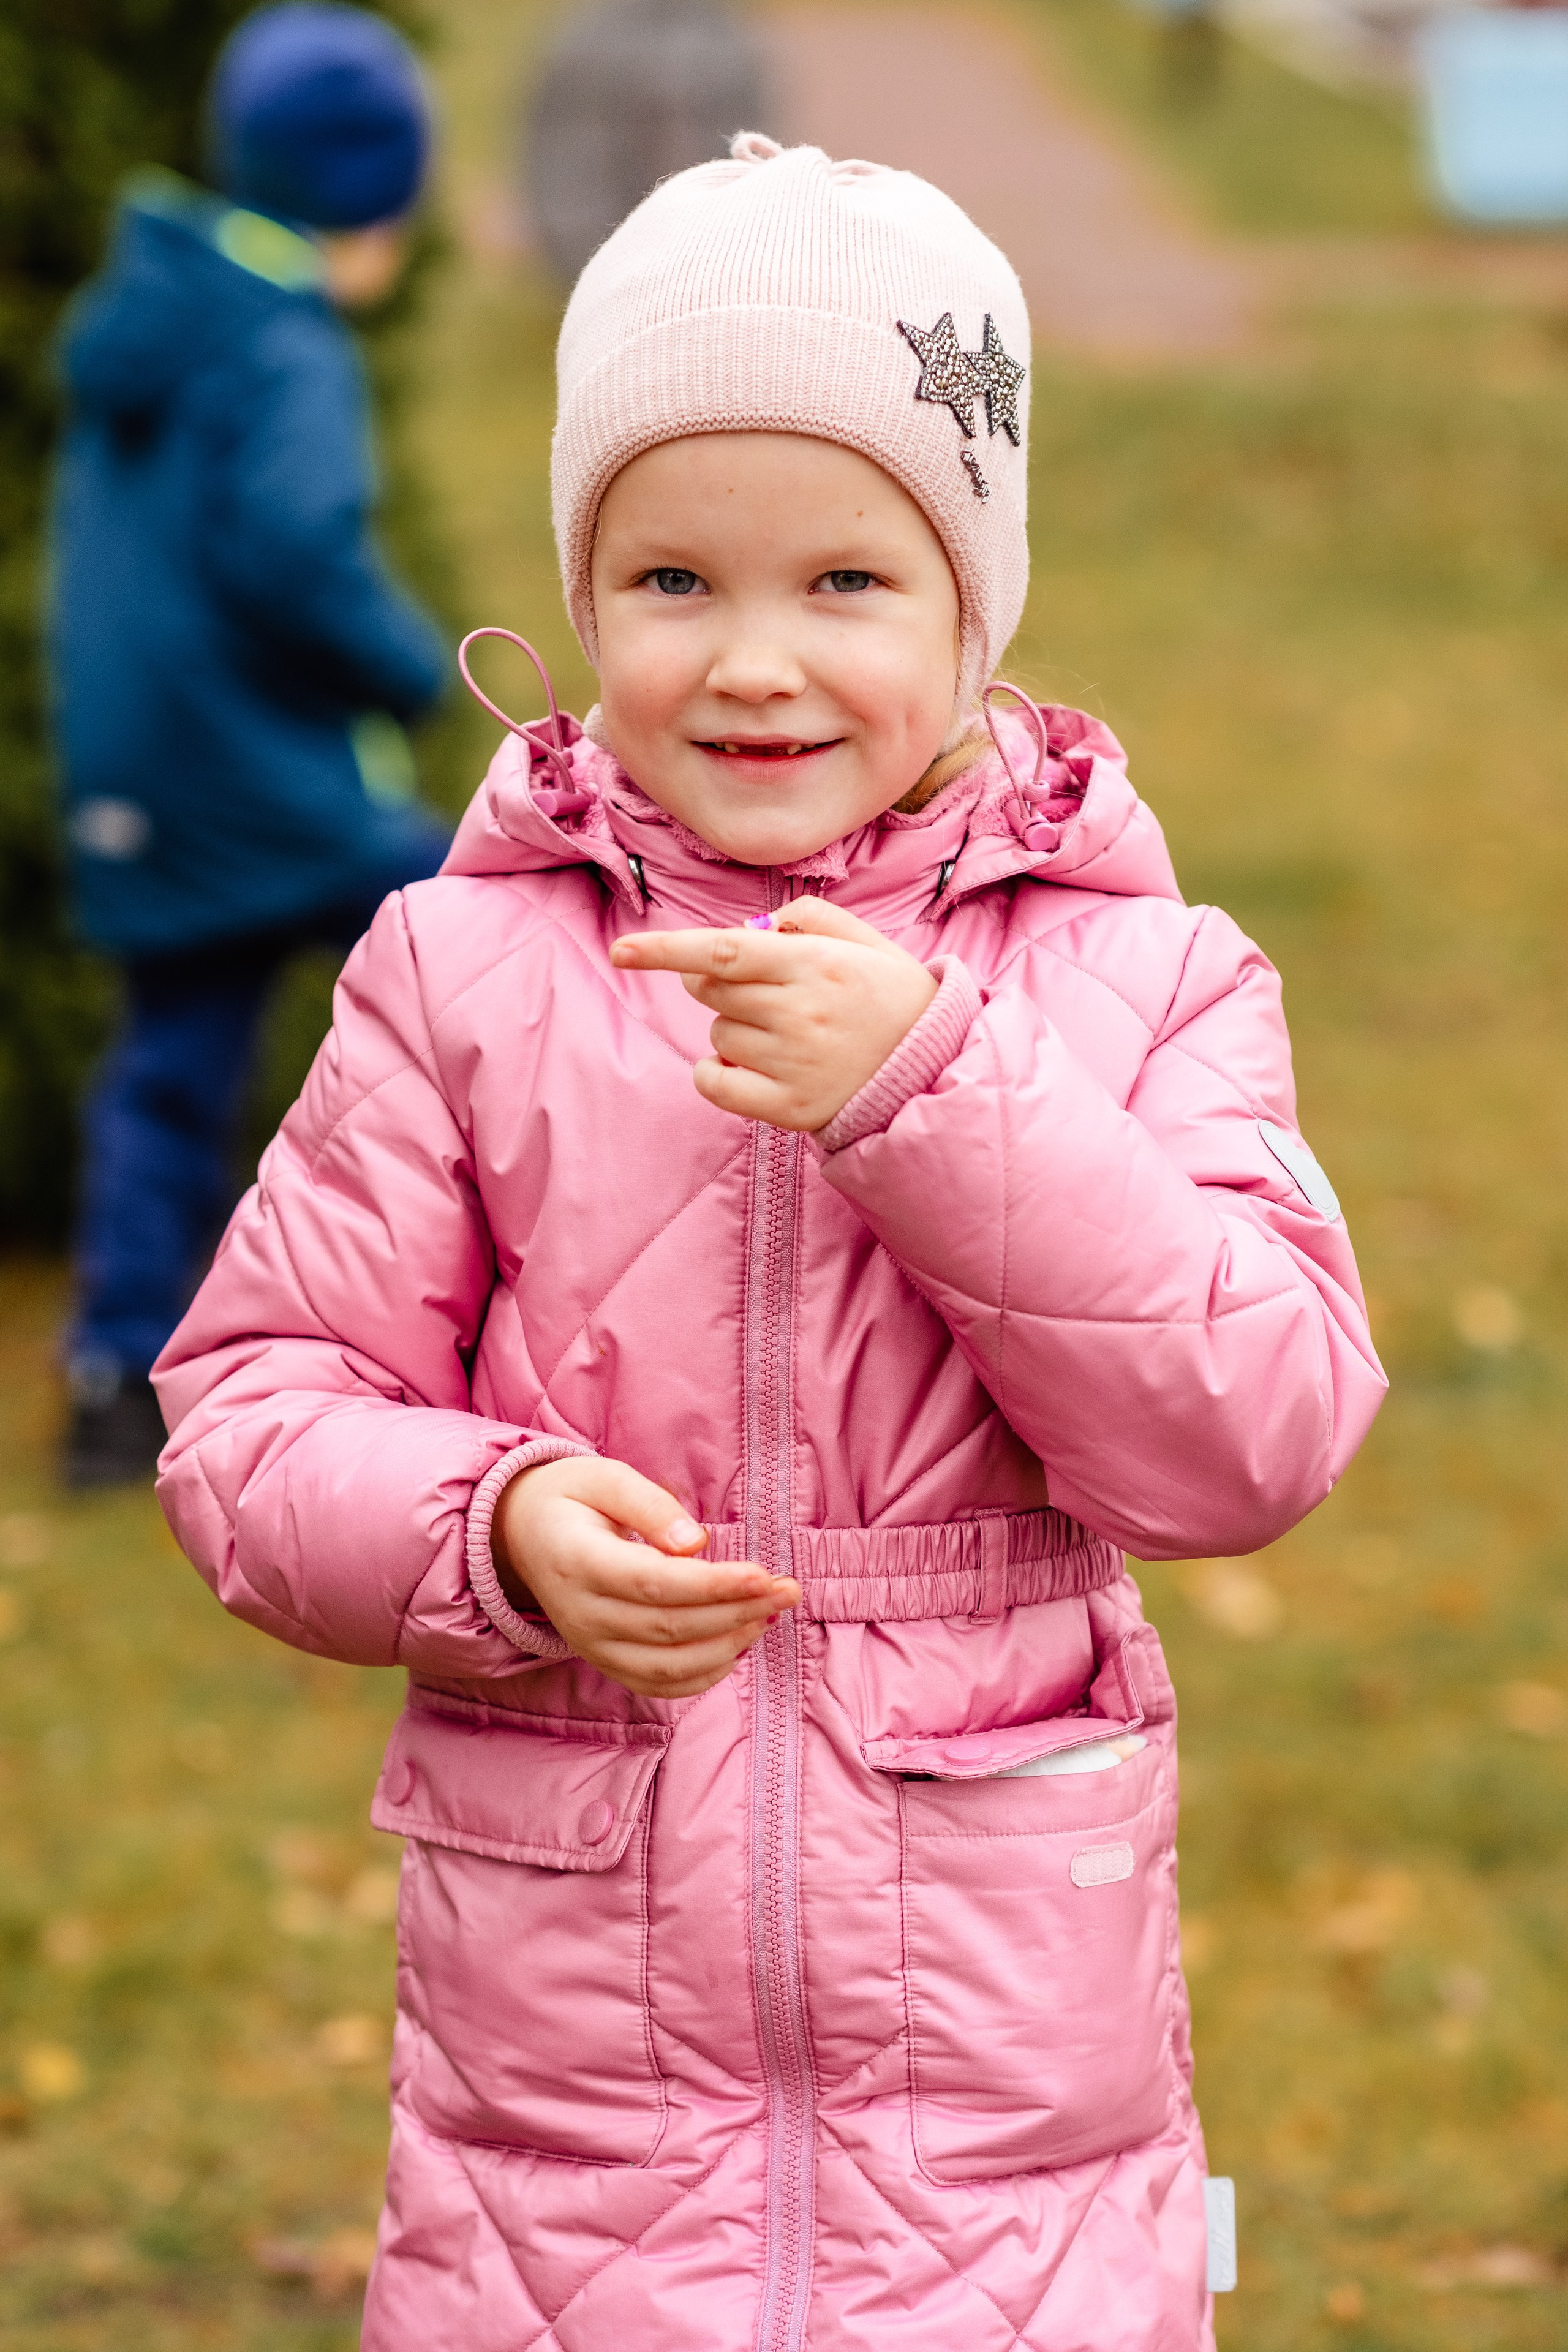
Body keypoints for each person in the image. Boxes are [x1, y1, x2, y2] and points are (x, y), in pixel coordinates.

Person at [153, 135, 1386, 2347]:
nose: (752, 666)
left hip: (1004, 2124)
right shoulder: (462, 977)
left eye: (845, 584)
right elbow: (251, 1417)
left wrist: (932, 1088)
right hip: (572, 2129)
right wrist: (493, 1524)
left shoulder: (1146, 984)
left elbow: (1253, 1432)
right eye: (671, 582)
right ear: (579, 592)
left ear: (973, 605)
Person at [49, 2, 450, 1487]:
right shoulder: (282, 339)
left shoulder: (152, 311)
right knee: (477, 958)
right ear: (369, 193)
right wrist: (411, 668)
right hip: (265, 786)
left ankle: (116, 1376)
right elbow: (293, 552)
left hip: (147, 784)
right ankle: (451, 1330)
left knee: (170, 1064)